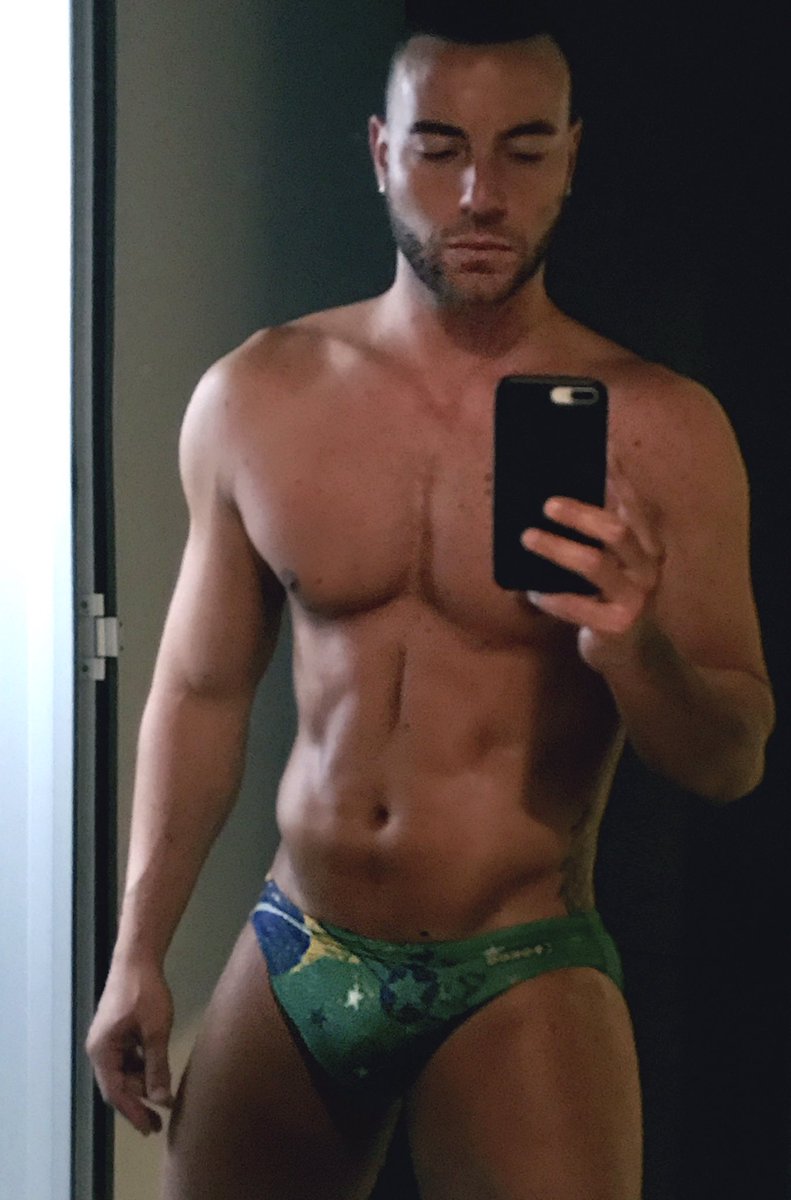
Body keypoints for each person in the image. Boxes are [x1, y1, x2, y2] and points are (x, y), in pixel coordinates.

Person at [86, 16, 775, 1200]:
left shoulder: (662, 428)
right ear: (379, 151)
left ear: (570, 157)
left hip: (515, 964)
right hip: (299, 944)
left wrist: (634, 648)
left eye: (522, 150)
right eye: (439, 147)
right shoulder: (258, 395)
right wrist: (136, 952)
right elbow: (199, 693)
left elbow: (730, 758)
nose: (478, 194)